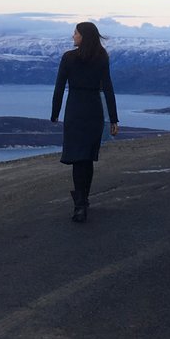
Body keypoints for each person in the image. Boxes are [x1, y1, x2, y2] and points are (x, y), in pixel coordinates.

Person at [50, 22, 118, 223]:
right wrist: (113, 118)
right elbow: (108, 88)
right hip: (94, 110)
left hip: (75, 110)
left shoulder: (69, 58)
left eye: (75, 33)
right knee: (87, 157)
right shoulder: (101, 57)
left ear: (83, 36)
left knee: (78, 158)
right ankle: (83, 200)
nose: (73, 36)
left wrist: (55, 112)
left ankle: (80, 204)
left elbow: (60, 87)